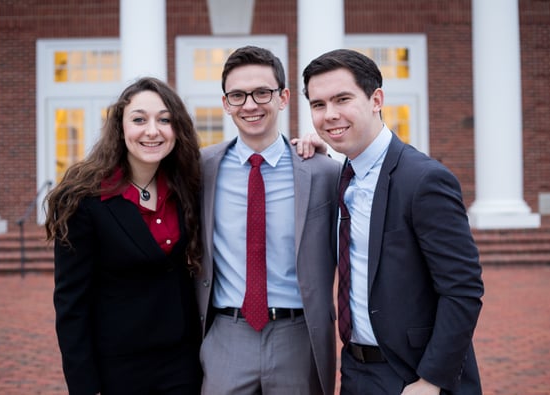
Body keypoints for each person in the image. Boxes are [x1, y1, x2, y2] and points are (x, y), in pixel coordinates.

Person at [302, 48, 485, 395]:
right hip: (356, 372)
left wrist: (430, 381)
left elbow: (463, 290)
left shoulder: (424, 180)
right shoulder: (343, 172)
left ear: (376, 99)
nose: (330, 114)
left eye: (343, 99)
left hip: (413, 375)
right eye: (318, 104)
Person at [195, 45, 341, 395]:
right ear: (225, 103)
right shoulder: (201, 169)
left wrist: (323, 144)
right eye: (238, 95)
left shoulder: (323, 172)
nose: (250, 105)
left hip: (298, 334)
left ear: (283, 97)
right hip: (227, 333)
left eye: (262, 92)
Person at [45, 77, 203, 395]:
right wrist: (84, 386)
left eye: (164, 120)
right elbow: (71, 305)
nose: (152, 130)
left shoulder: (189, 185)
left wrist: (306, 145)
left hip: (185, 363)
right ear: (120, 127)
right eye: (139, 119)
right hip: (119, 369)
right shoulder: (83, 198)